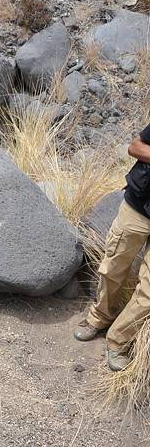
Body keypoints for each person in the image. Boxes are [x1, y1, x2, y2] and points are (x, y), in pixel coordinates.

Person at [74, 125, 150, 371]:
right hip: (138, 207)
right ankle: (99, 317)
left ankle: (118, 340)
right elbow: (135, 147)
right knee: (113, 268)